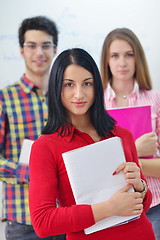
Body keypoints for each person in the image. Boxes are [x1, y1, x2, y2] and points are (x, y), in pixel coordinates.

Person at [29, 48, 155, 240]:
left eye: (87, 83)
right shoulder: (45, 147)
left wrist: (139, 186)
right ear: (56, 89)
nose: (79, 94)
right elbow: (43, 222)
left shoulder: (123, 136)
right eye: (69, 85)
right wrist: (108, 208)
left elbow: (142, 207)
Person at [0, 16, 66, 240]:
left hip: (68, 215)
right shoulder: (4, 99)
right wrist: (30, 172)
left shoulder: (68, 97)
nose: (39, 52)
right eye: (32, 45)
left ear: (55, 49)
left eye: (46, 45)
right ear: (21, 50)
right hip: (24, 222)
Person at [100, 28, 160, 239]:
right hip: (110, 207)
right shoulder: (96, 105)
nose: (122, 63)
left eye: (129, 54)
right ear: (106, 60)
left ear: (138, 58)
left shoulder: (155, 100)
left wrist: (135, 163)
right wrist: (135, 150)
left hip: (153, 206)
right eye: (115, 56)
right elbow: (96, 167)